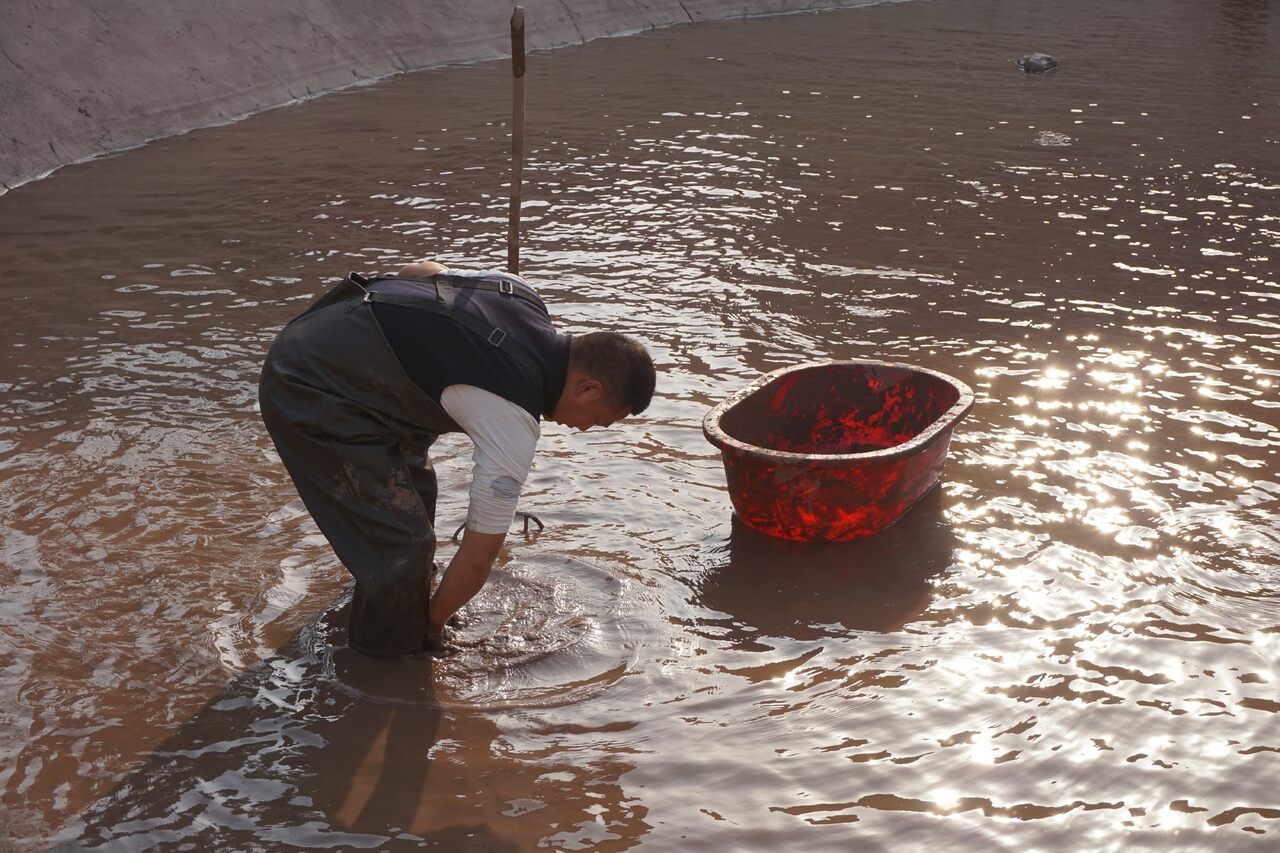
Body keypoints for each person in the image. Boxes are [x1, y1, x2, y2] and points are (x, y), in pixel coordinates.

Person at [258, 260, 655, 657]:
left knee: (416, 494)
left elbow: (419, 272)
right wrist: (430, 626)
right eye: (598, 420)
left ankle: (394, 596)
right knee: (401, 546)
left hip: (331, 327)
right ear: (587, 389)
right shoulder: (511, 416)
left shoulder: (518, 293)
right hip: (307, 384)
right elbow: (480, 557)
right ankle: (380, 664)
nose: (584, 429)